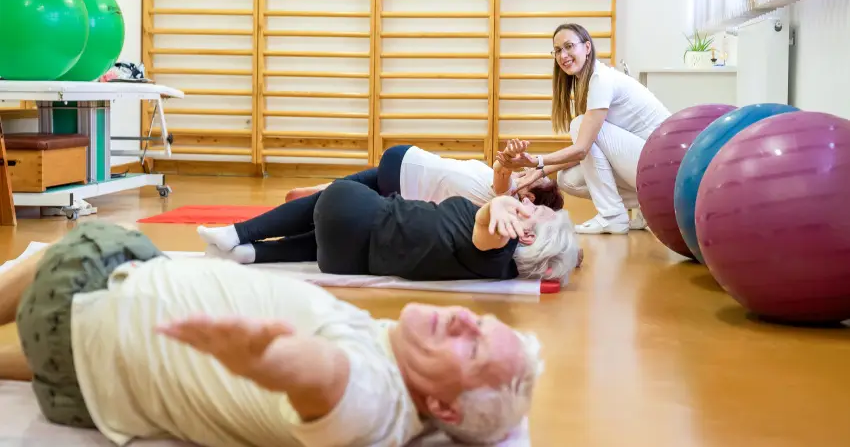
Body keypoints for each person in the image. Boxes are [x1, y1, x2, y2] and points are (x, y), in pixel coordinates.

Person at [0, 221, 543, 446]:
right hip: (89, 380)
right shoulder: (411, 394)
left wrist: (270, 359)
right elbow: (506, 428)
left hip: (96, 292)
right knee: (51, 342)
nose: (466, 318)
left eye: (471, 346)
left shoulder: (374, 400)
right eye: (483, 321)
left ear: (443, 408)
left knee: (76, 246)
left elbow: (326, 377)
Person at [200, 178, 581, 282]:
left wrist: (494, 206)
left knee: (335, 196)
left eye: (534, 214)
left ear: (526, 236)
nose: (530, 204)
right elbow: (560, 260)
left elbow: (486, 230)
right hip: (342, 262)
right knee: (335, 228)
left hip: (351, 215)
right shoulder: (505, 268)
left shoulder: (497, 244)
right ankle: (254, 254)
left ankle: (237, 233)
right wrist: (570, 256)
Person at [496, 22, 672, 235]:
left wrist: (537, 162)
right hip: (651, 166)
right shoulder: (589, 82)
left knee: (578, 125)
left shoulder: (600, 79)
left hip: (663, 166)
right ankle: (646, 206)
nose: (563, 55)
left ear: (587, 47)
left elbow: (582, 148)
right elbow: (588, 149)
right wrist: (539, 171)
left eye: (569, 46)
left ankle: (612, 217)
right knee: (568, 179)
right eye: (558, 50)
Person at [284, 143, 565, 210]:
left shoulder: (508, 198)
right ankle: (311, 200)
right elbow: (502, 175)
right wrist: (504, 163)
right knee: (349, 196)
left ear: (529, 198)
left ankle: (309, 193)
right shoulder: (506, 194)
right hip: (403, 178)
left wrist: (505, 165)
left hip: (404, 158)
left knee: (347, 187)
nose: (532, 172)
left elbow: (504, 178)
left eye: (536, 178)